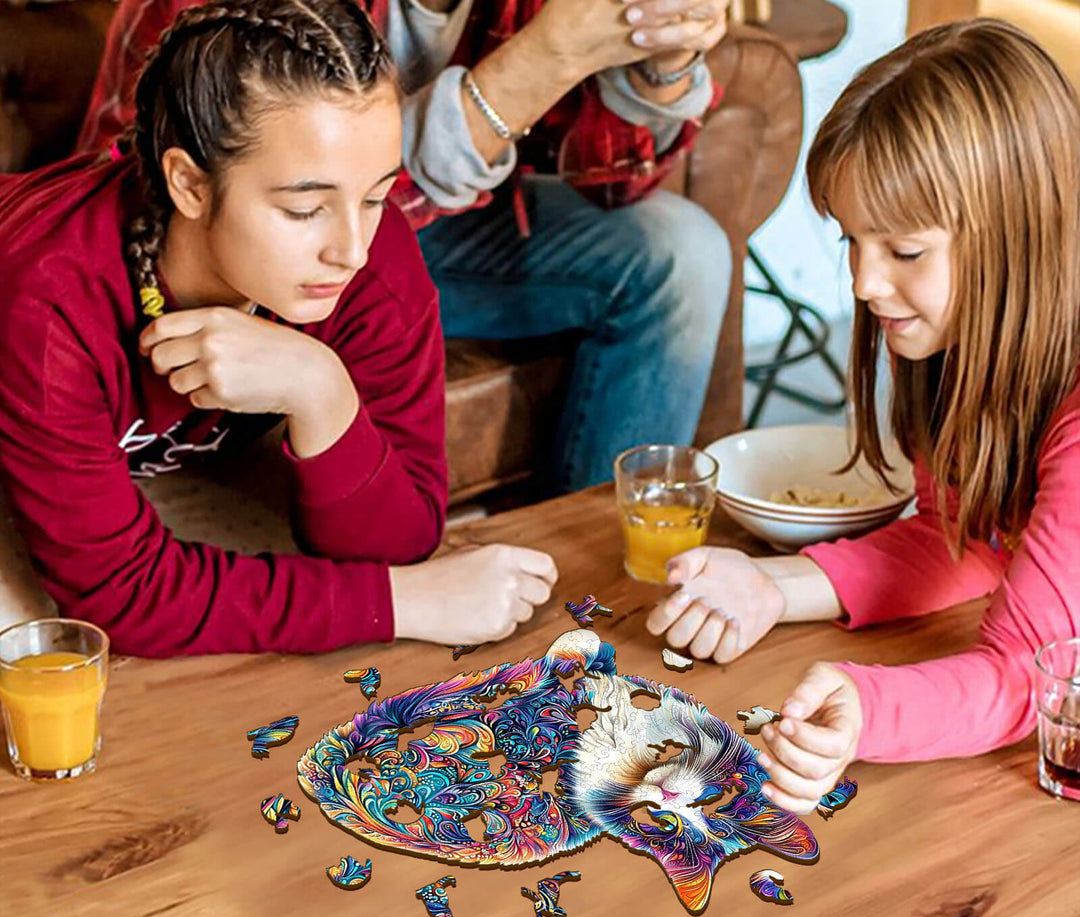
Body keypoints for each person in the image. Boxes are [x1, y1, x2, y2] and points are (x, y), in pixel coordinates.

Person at [0, 0, 557, 656]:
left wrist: (321, 390)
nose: (351, 248)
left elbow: (402, 537)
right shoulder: (49, 299)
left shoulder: (371, 255)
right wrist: (404, 601)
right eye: (305, 209)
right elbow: (122, 597)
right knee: (33, 649)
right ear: (189, 185)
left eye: (374, 196)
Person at [646, 18, 1080, 814]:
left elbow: (1033, 673)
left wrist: (867, 710)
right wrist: (772, 587)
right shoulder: (962, 347)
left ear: (1023, 236)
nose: (862, 283)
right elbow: (966, 537)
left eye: (904, 252)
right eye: (852, 240)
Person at [77, 0, 734, 493]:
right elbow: (155, 204)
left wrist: (660, 63)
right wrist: (544, 59)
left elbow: (617, 186)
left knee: (680, 251)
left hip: (433, 223)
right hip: (236, 247)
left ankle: (600, 569)